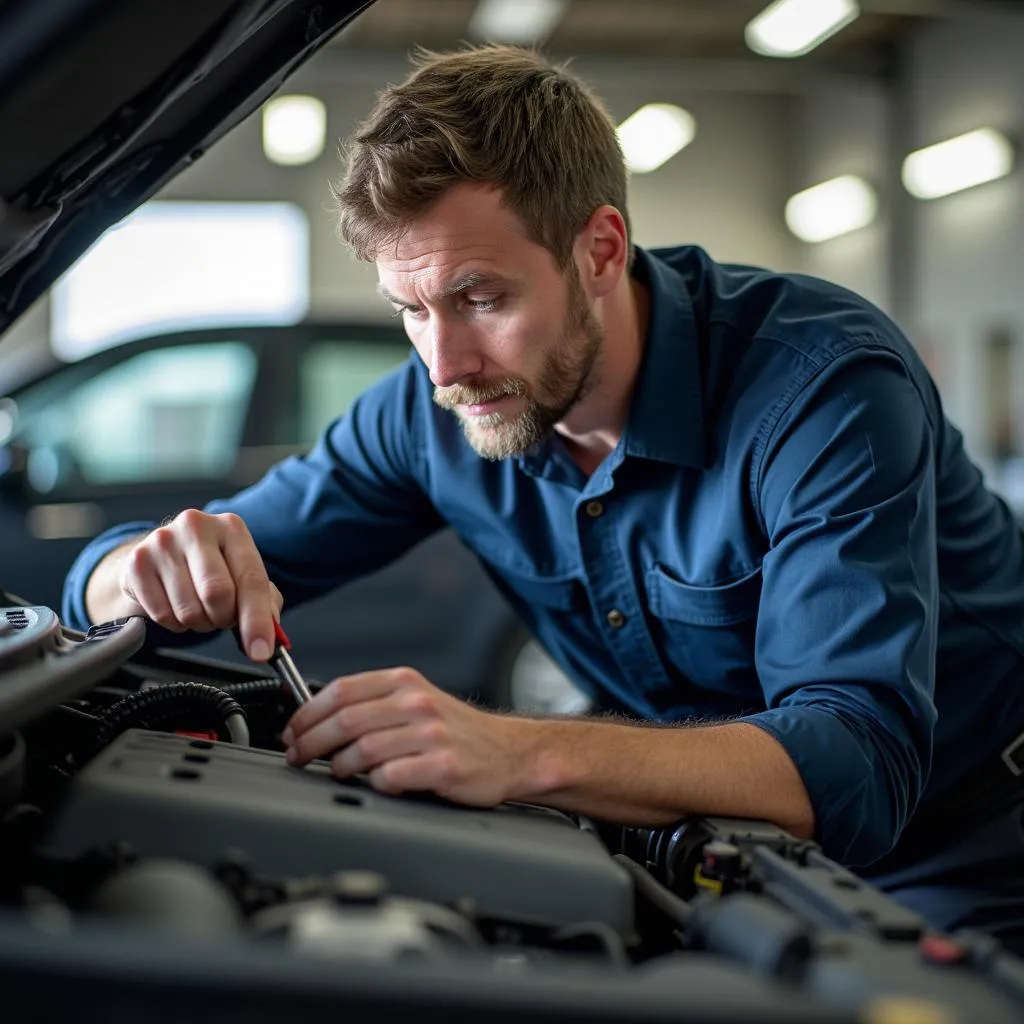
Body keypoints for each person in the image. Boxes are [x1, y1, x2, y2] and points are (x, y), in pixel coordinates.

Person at [64, 45, 1024, 950]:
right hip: (717, 851)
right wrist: (137, 571)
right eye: (411, 309)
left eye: (481, 298)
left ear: (600, 249)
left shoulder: (820, 388)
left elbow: (856, 763)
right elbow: (130, 595)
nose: (444, 363)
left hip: (960, 847)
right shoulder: (431, 411)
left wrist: (520, 752)